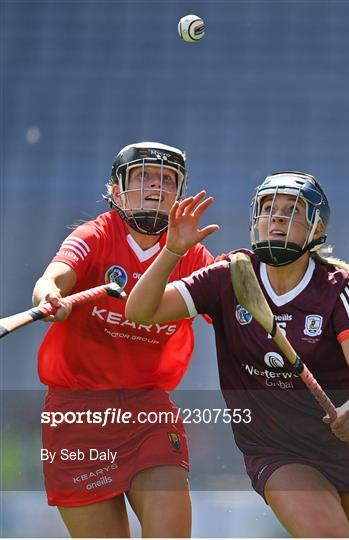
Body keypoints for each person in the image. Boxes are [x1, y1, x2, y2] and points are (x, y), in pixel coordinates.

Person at [125, 172, 349, 538]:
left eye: (292, 211)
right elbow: (139, 311)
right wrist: (173, 251)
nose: (278, 218)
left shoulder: (336, 289)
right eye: (269, 209)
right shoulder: (230, 276)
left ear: (316, 230)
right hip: (277, 450)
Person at [32, 142, 214, 538]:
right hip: (76, 416)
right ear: (116, 191)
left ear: (178, 195)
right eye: (144, 177)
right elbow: (54, 276)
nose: (156, 186)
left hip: (148, 411)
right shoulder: (96, 234)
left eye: (167, 179)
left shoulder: (194, 256)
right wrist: (50, 296)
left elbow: (235, 314)